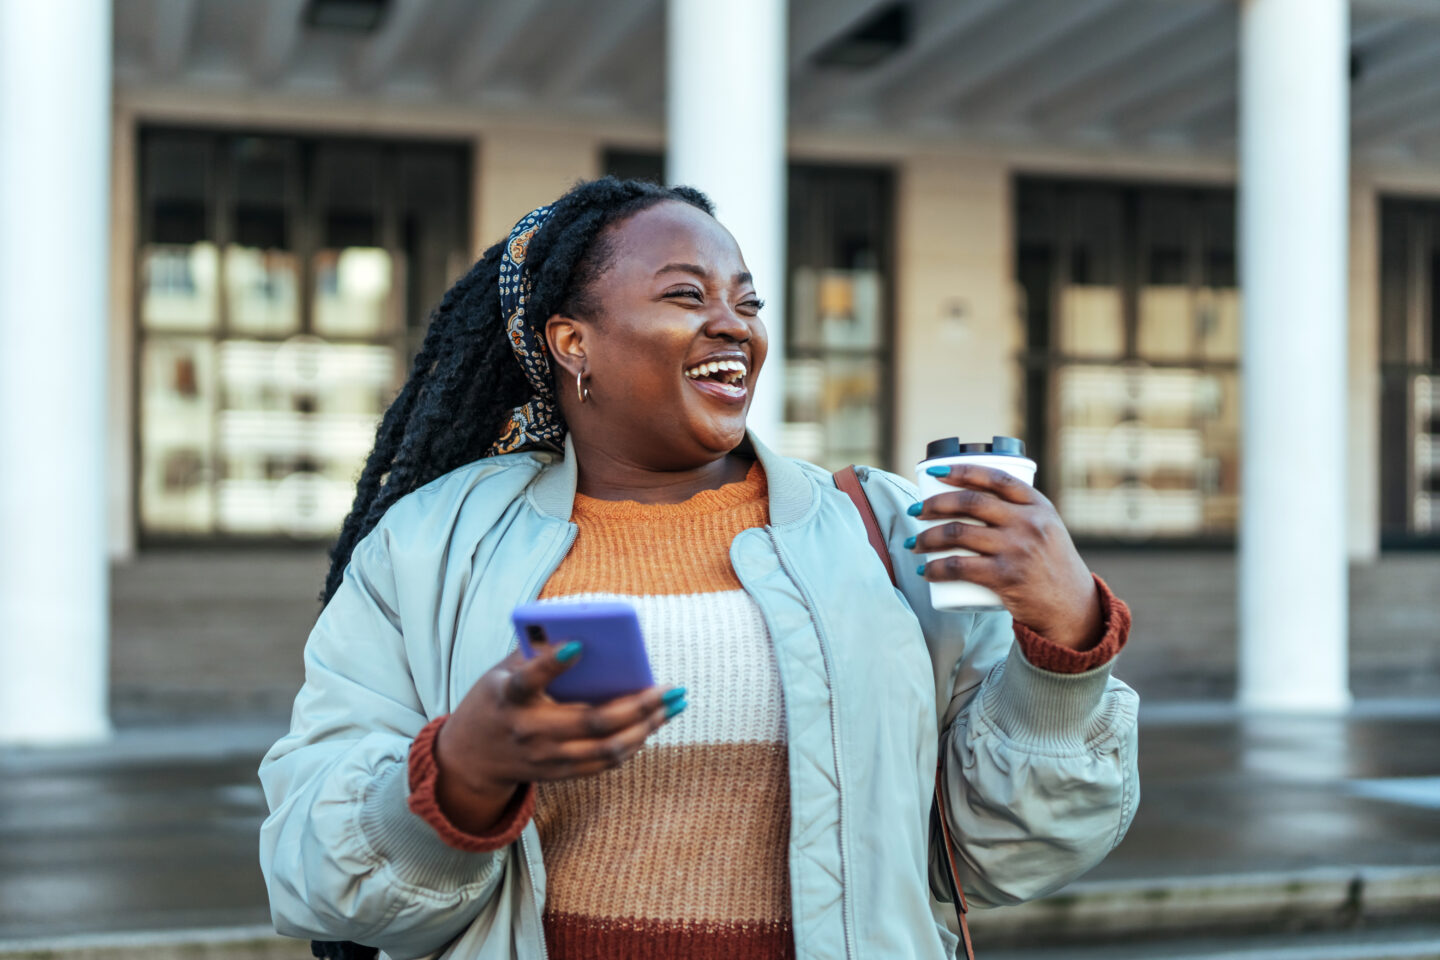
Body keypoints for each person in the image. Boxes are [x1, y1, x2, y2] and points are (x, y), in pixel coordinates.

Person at [259, 177, 1139, 960]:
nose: (734, 325)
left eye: (748, 303)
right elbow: (313, 873)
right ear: (572, 342)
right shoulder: (432, 542)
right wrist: (461, 774)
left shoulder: (889, 532)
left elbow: (1006, 854)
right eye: (687, 295)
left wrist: (1064, 646)